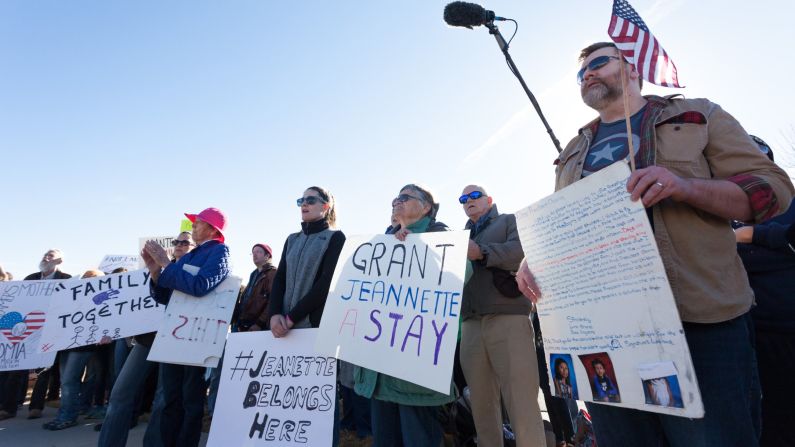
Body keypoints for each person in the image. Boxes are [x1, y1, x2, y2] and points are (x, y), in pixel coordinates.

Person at [516, 41, 793, 446]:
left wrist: (685, 186)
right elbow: (567, 226)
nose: (587, 74)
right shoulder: (572, 153)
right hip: (604, 337)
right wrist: (536, 257)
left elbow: (772, 190)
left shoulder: (697, 115)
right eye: (580, 73)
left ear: (631, 68)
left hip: (698, 321)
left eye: (597, 63)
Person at [354, 184, 455, 447]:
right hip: (379, 369)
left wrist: (419, 245)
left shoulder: (441, 236)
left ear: (426, 207)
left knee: (417, 439)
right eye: (395, 198)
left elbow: (460, 277)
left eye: (405, 197)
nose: (396, 201)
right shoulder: (381, 244)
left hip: (413, 372)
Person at [457, 184, 545, 447]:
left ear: (489, 200)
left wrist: (482, 252)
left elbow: (524, 251)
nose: (469, 200)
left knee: (521, 401)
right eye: (464, 198)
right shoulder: (458, 236)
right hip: (471, 325)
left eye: (475, 195)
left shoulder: (509, 221)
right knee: (481, 403)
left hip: (508, 318)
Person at [98, 232, 194, 447]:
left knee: (163, 400)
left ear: (195, 247)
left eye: (185, 242)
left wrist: (165, 265)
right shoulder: (155, 269)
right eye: (176, 242)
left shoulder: (192, 273)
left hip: (173, 342)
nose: (179, 245)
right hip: (146, 340)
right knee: (120, 393)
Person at [144, 208, 230, 447]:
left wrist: (165, 263)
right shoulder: (190, 256)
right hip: (176, 334)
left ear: (213, 229)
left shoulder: (220, 251)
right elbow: (168, 296)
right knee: (170, 399)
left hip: (198, 336)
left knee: (190, 401)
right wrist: (155, 272)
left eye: (198, 223)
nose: (192, 227)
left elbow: (201, 285)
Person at [269, 186, 344, 446]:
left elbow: (326, 284)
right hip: (285, 328)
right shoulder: (291, 239)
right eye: (301, 200)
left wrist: (291, 317)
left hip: (314, 327)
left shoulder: (336, 238)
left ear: (326, 206)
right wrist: (275, 314)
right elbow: (279, 279)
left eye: (311, 200)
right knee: (289, 400)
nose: (304, 204)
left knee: (319, 401)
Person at [735, 138, 795, 446]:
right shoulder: (721, 210)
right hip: (739, 335)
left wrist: (752, 235)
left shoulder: (790, 203)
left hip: (786, 331)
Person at [42, 269, 106, 430]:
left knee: (69, 380)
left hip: (84, 345)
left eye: (90, 278)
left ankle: (68, 416)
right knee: (67, 380)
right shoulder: (70, 296)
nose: (86, 280)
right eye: (84, 277)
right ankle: (72, 411)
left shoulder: (101, 298)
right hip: (65, 343)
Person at [20, 250, 72, 420]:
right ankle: (8, 406)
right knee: (19, 366)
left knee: (44, 368)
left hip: (53, 331)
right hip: (30, 329)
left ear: (59, 261)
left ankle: (36, 407)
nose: (46, 258)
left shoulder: (66, 279)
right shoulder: (30, 278)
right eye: (45, 255)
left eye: (51, 255)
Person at [234, 243, 277, 332]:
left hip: (258, 327)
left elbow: (273, 300)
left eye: (258, 252)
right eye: (253, 252)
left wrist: (259, 323)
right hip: (243, 325)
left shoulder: (273, 273)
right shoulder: (253, 275)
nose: (254, 254)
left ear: (267, 256)